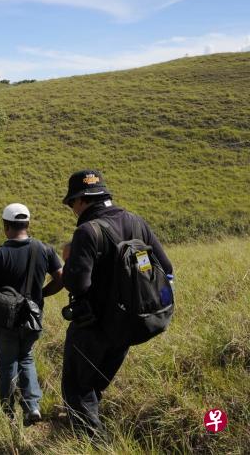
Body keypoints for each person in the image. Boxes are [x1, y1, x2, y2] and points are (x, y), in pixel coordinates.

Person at [60, 170, 173, 436]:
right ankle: (88, 428)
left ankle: (93, 444)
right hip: (129, 324)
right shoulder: (136, 222)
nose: (72, 210)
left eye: (71, 204)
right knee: (95, 384)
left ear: (81, 200)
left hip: (94, 327)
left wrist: (69, 259)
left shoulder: (87, 231)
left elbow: (78, 285)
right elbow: (166, 268)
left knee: (77, 388)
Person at [0, 203, 64, 425]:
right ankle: (32, 406)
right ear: (27, 224)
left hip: (5, 320)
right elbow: (61, 278)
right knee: (26, 357)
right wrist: (41, 294)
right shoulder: (44, 249)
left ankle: (8, 412)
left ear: (6, 226)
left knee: (7, 364)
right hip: (32, 316)